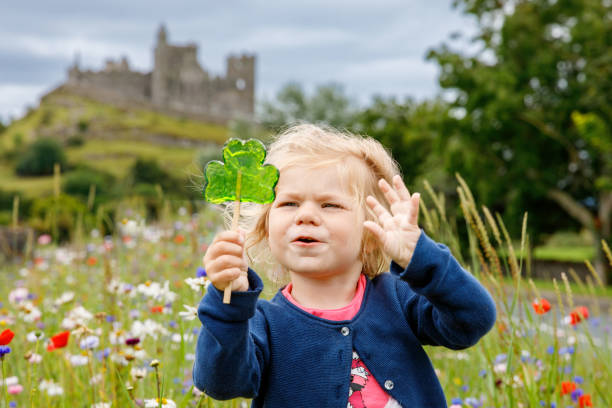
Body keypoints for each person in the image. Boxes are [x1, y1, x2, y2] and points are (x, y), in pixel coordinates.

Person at [193, 124, 496, 407]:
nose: (306, 216)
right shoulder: (263, 323)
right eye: (289, 204)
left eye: (330, 205)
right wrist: (227, 302)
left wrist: (422, 258)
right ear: (265, 227)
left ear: (371, 232)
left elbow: (473, 319)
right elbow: (220, 383)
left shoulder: (397, 300)